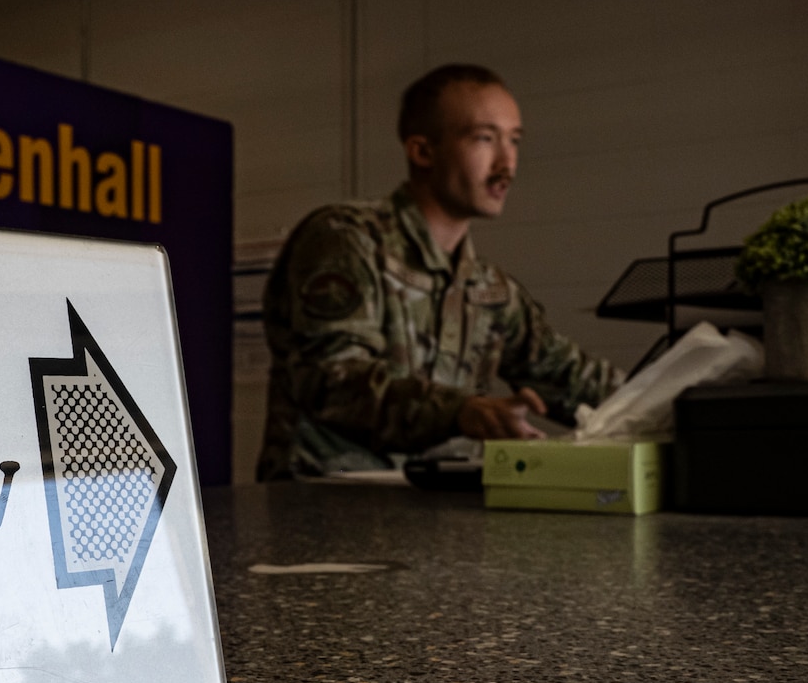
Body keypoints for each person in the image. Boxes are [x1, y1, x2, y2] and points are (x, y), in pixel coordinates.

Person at [256, 63, 623, 480]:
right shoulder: (346, 240)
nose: (508, 165)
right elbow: (333, 380)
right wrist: (461, 412)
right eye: (485, 139)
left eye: (514, 141)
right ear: (423, 150)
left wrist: (680, 398)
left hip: (434, 517)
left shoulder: (489, 288)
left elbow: (569, 378)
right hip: (325, 508)